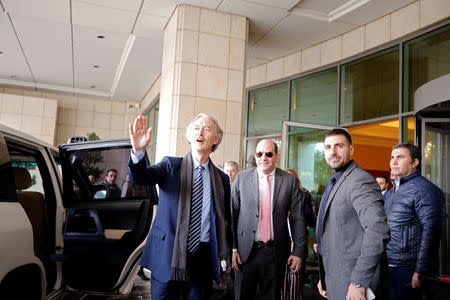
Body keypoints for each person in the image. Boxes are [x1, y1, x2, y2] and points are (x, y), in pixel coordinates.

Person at [128, 113, 231, 300]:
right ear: (190, 136)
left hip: (202, 259)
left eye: (207, 129)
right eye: (196, 128)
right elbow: (140, 178)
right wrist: (138, 153)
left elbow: (225, 221)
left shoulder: (221, 179)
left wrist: (226, 256)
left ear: (215, 139)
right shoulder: (170, 166)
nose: (200, 132)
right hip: (168, 255)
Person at [316, 129, 390, 300]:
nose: (332, 152)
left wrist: (359, 281)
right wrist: (325, 276)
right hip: (336, 278)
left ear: (351, 150)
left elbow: (377, 231)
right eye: (328, 147)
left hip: (355, 284)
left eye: (339, 146)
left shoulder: (359, 180)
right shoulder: (337, 180)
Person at [231, 139, 306, 300]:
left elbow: (298, 218)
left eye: (268, 154)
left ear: (277, 156)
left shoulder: (289, 180)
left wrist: (298, 251)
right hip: (245, 253)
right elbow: (232, 216)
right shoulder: (241, 178)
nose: (263, 157)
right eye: (259, 153)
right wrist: (233, 249)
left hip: (275, 253)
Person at [385, 143, 444, 300]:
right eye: (392, 157)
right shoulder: (391, 192)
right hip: (389, 265)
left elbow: (431, 231)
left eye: (400, 157)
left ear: (414, 162)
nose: (394, 162)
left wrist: (421, 270)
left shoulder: (424, 190)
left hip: (409, 268)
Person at [285, 168, 317, 299]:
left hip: (298, 238)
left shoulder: (304, 195)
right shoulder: (277, 193)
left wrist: (295, 213)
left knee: (296, 273)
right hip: (284, 237)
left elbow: (311, 219)